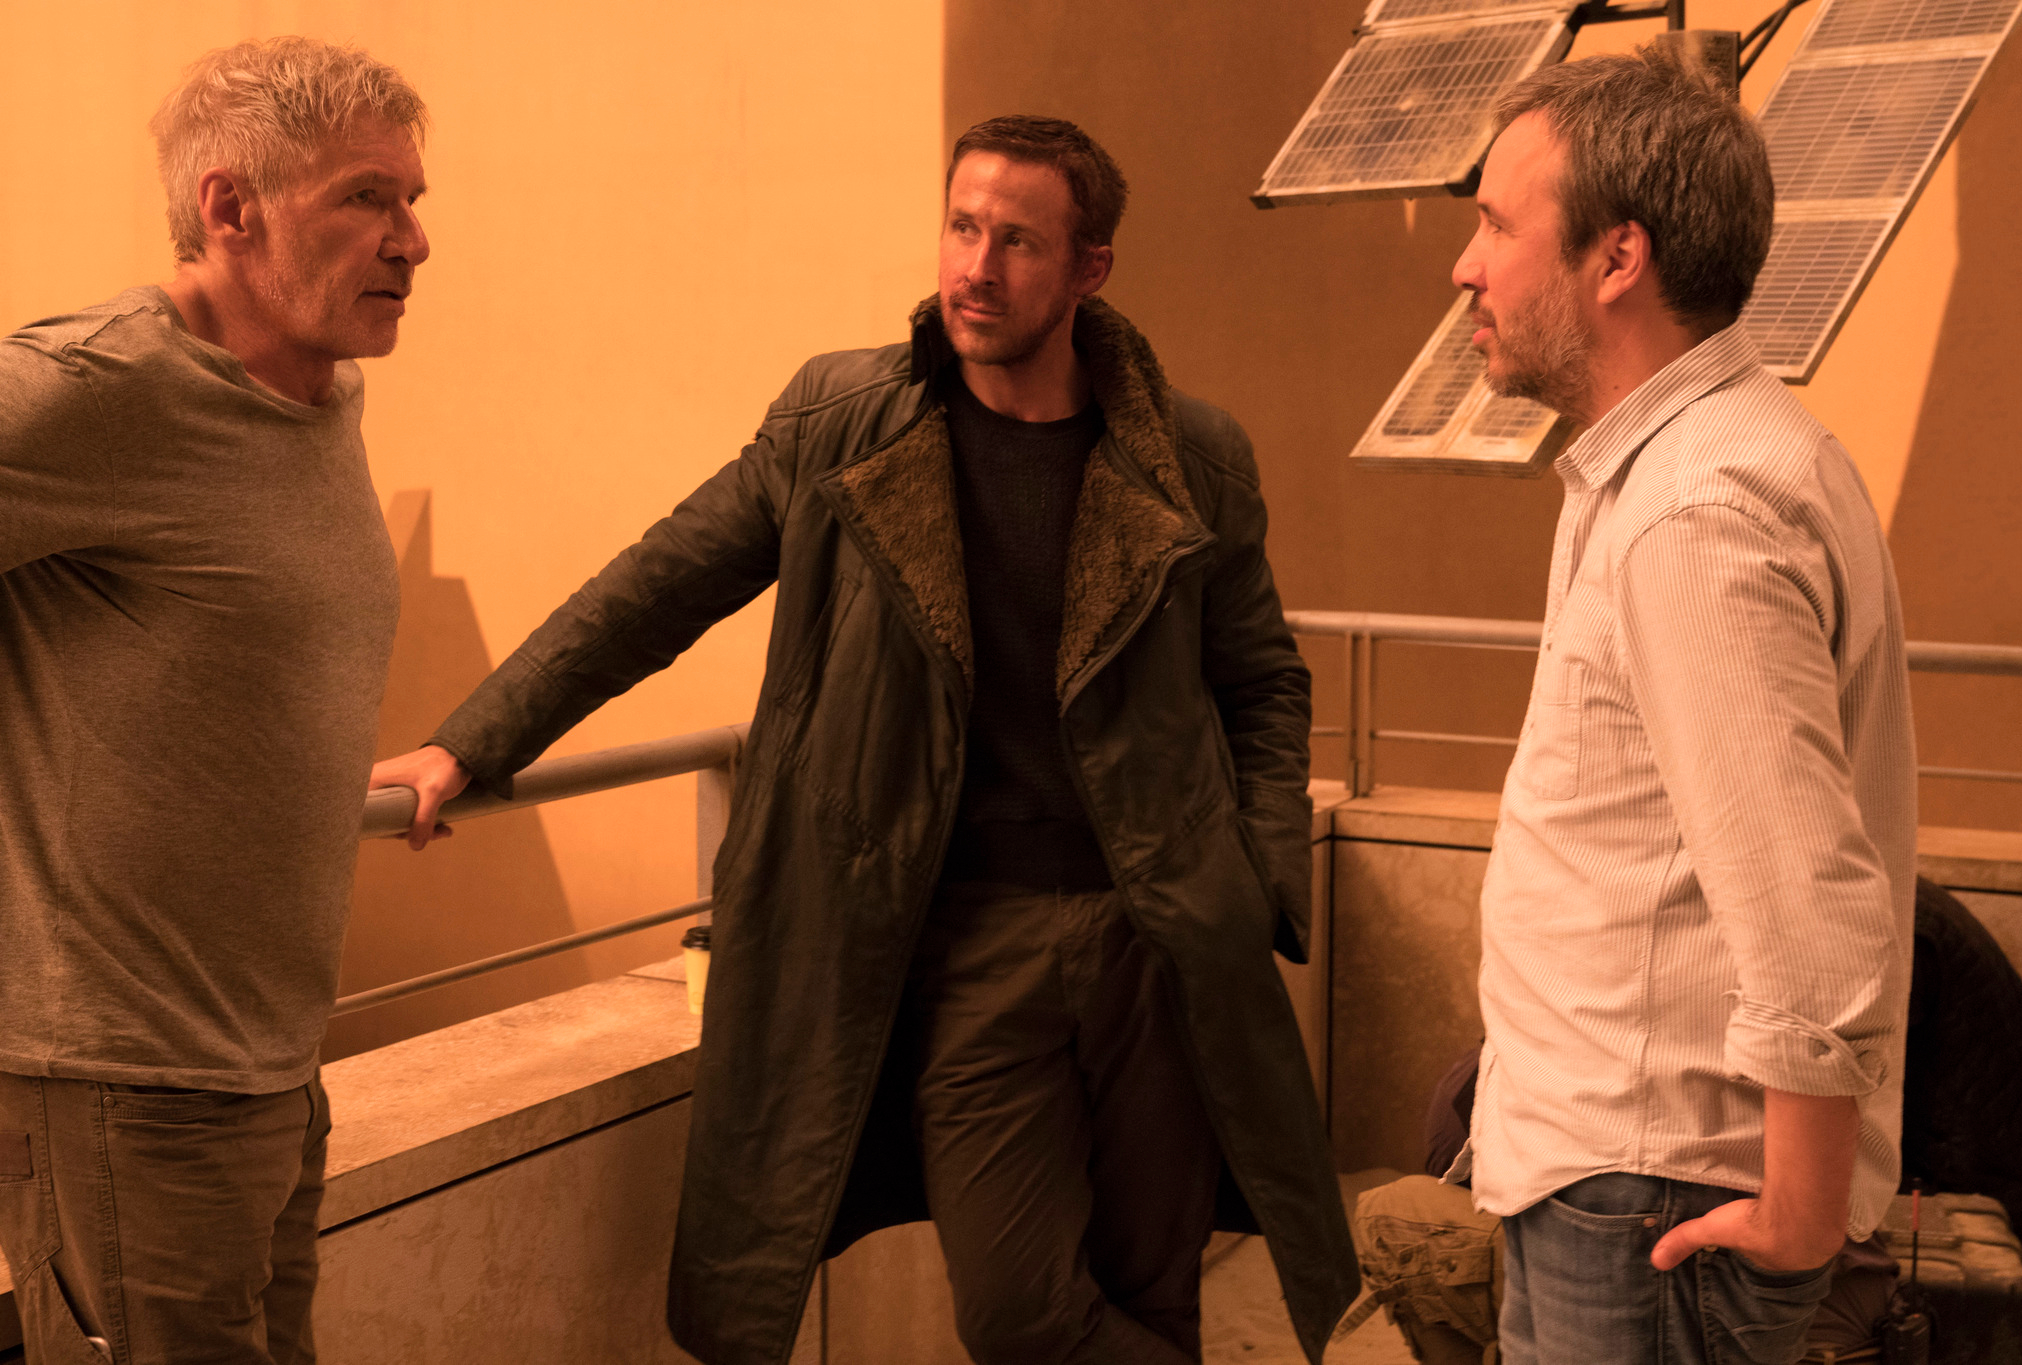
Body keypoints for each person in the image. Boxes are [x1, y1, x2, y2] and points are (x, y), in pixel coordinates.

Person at [371, 115, 1358, 1365]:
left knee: (1152, 1287)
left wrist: (1256, 878)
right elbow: (654, 589)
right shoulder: (843, 422)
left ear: (1087, 268)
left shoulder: (1190, 454)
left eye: (1015, 241)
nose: (974, 269)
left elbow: (1261, 680)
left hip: (1157, 938)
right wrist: (467, 746)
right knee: (1017, 1314)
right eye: (960, 227)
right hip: (962, 941)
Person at [1445, 48, 1917, 1364]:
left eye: (1495, 223)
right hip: (1626, 1179)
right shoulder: (1697, 467)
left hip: (1648, 1200)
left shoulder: (1697, 507)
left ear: (1618, 258)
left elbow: (1810, 899)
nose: (1464, 267)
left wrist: (1806, 1211)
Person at [0, 37, 428, 1365]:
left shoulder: (318, 393)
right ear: (231, 209)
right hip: (128, 1083)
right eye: (368, 198)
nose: (413, 239)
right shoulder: (92, 389)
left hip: (270, 1069)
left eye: (415, 200)